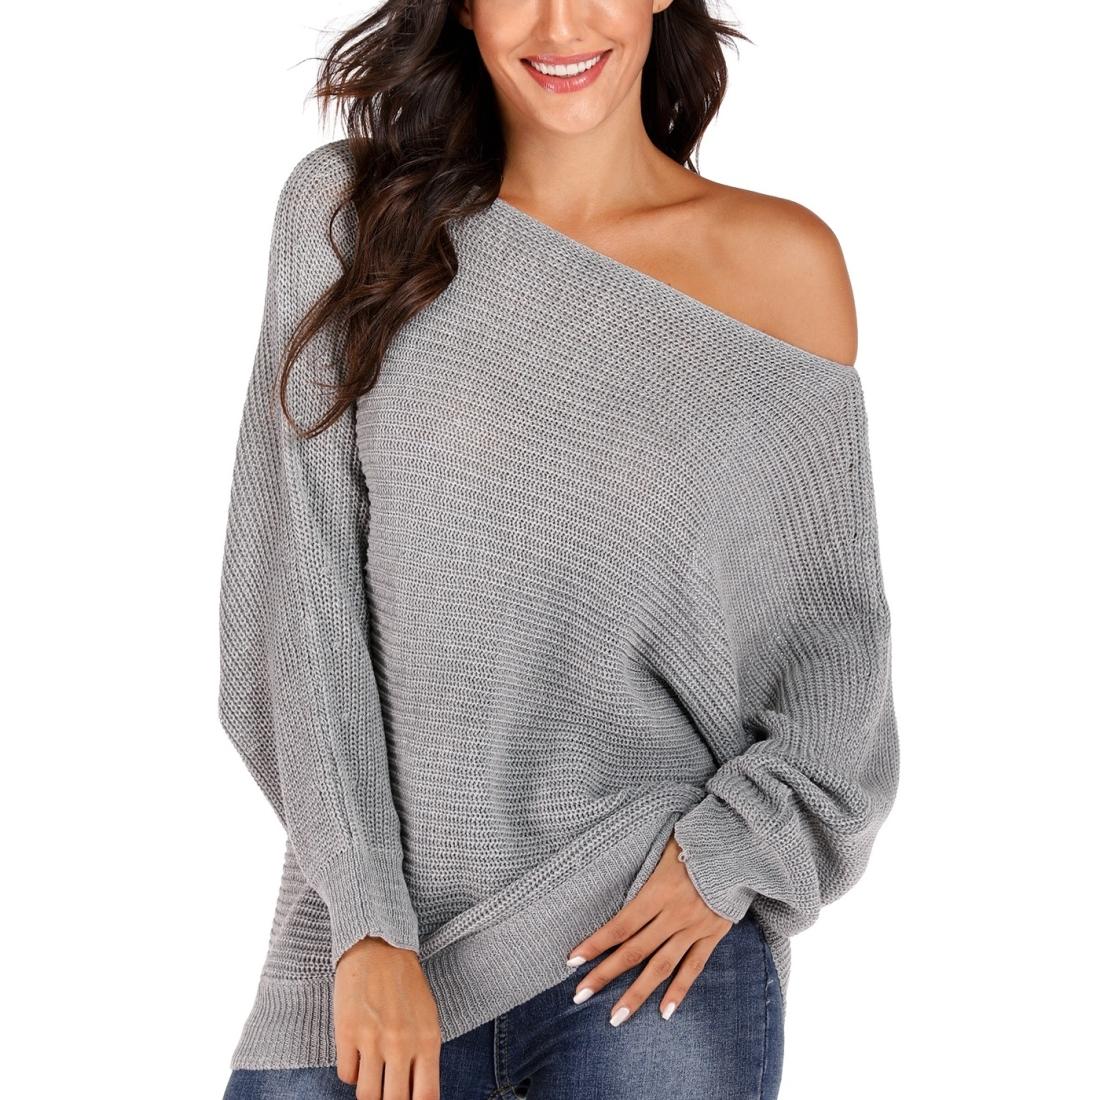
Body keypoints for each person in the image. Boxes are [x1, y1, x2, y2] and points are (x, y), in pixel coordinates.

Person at [217, 2, 900, 1098]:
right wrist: (368, 923)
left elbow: (832, 656)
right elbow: (294, 600)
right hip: (373, 965)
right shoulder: (352, 217)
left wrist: (728, 853)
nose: (559, 21)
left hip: (648, 950)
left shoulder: (780, 267)